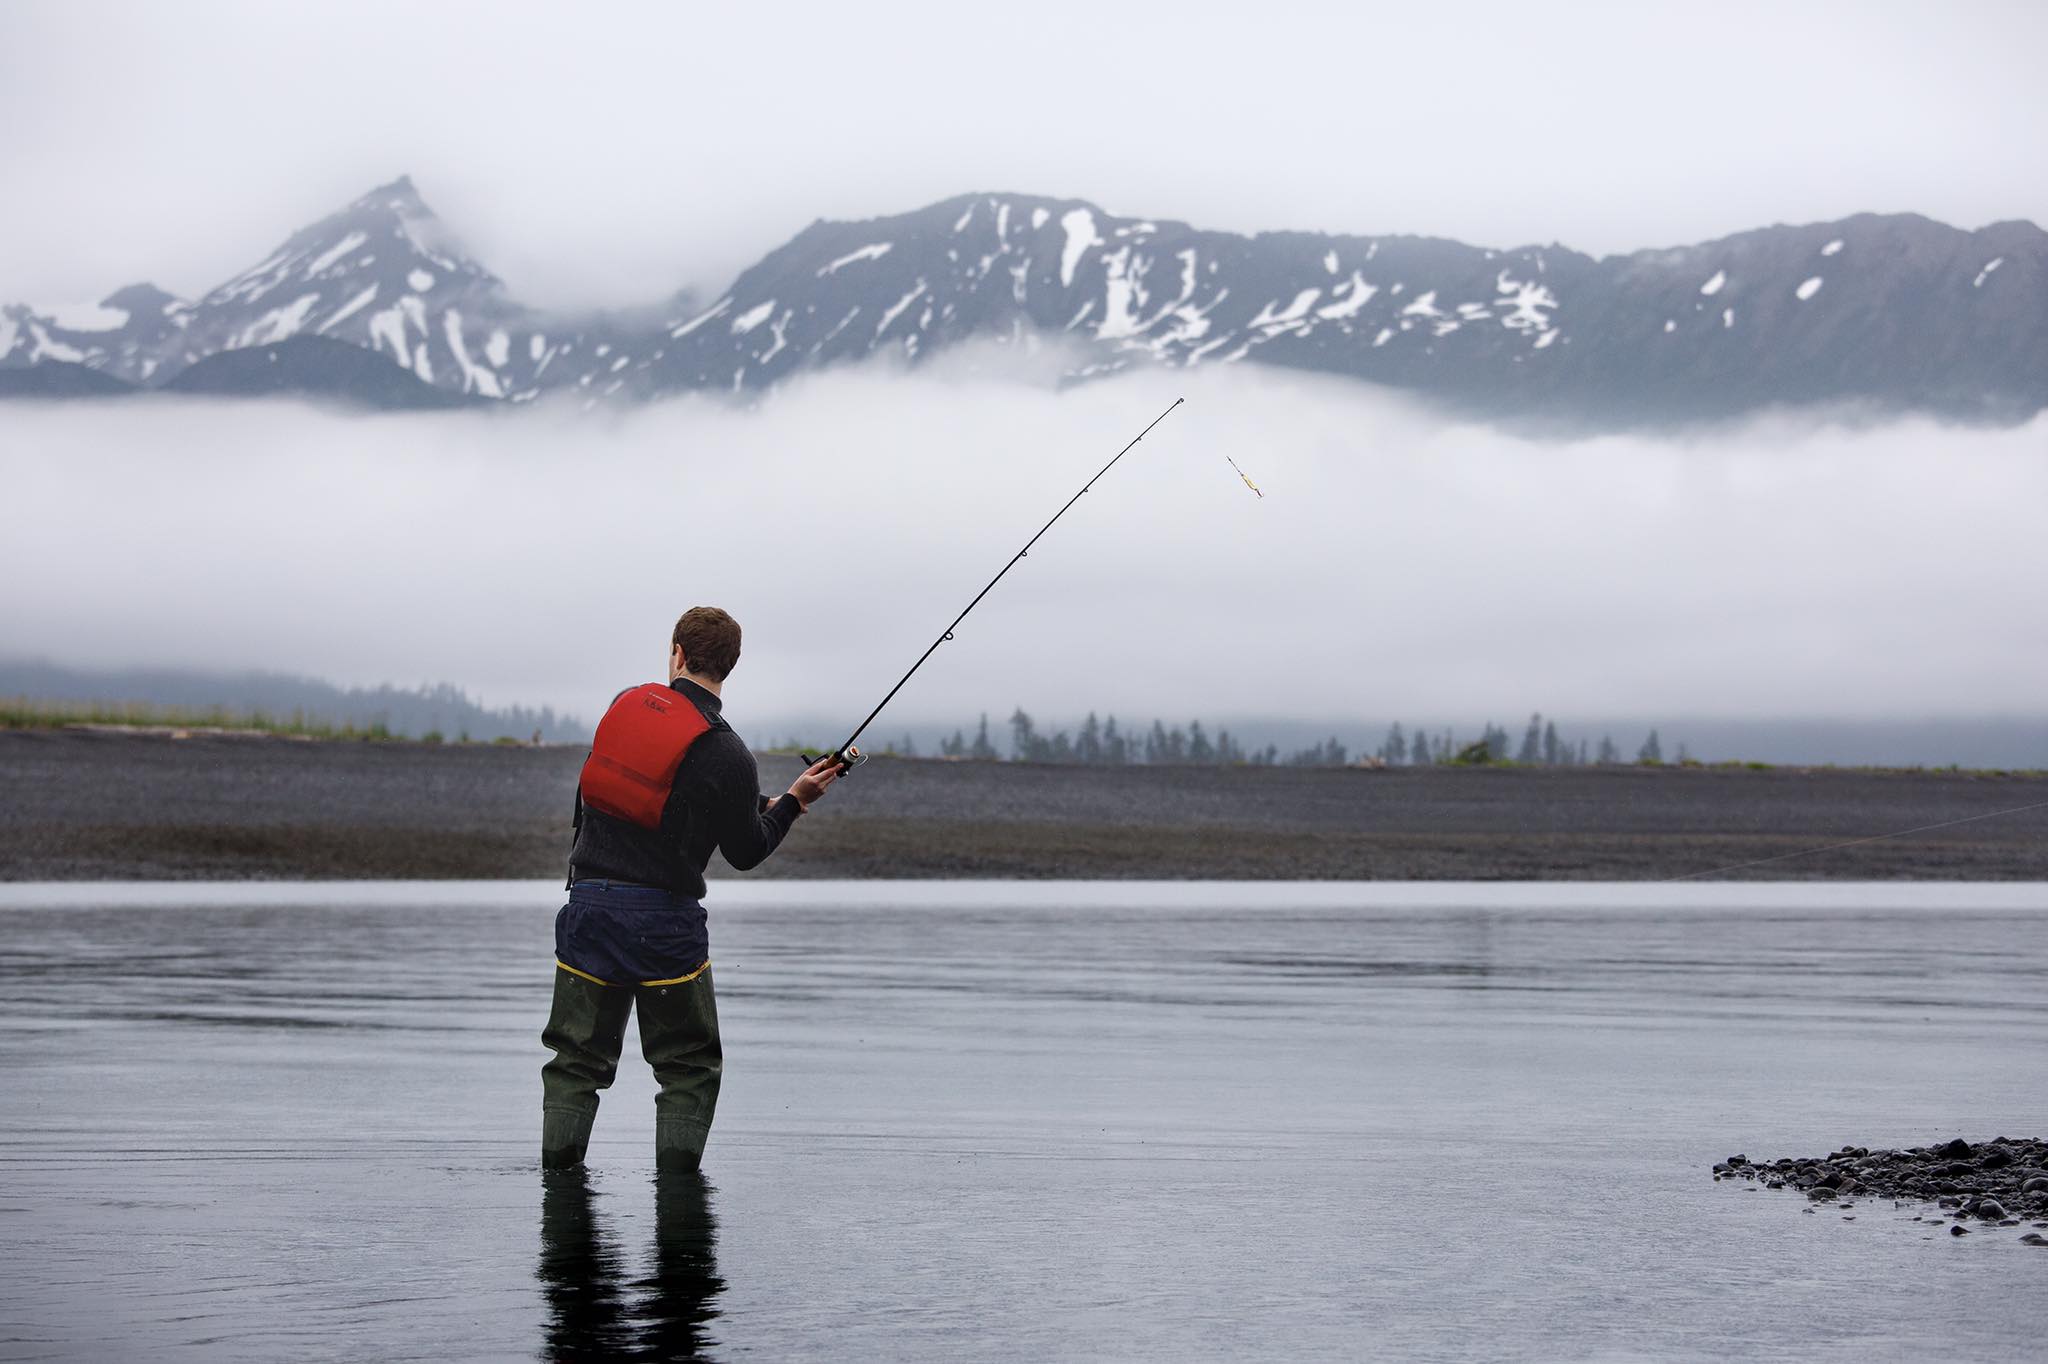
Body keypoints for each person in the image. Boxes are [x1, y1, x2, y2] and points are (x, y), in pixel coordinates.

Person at [541, 606, 842, 1171]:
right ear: (730, 667)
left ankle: (559, 1193)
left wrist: (763, 804)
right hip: (665, 927)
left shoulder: (624, 706)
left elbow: (654, 793)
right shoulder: (731, 754)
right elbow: (745, 850)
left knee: (575, 1063)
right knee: (687, 1067)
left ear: (677, 653)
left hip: (589, 911)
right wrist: (794, 803)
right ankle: (678, 1212)